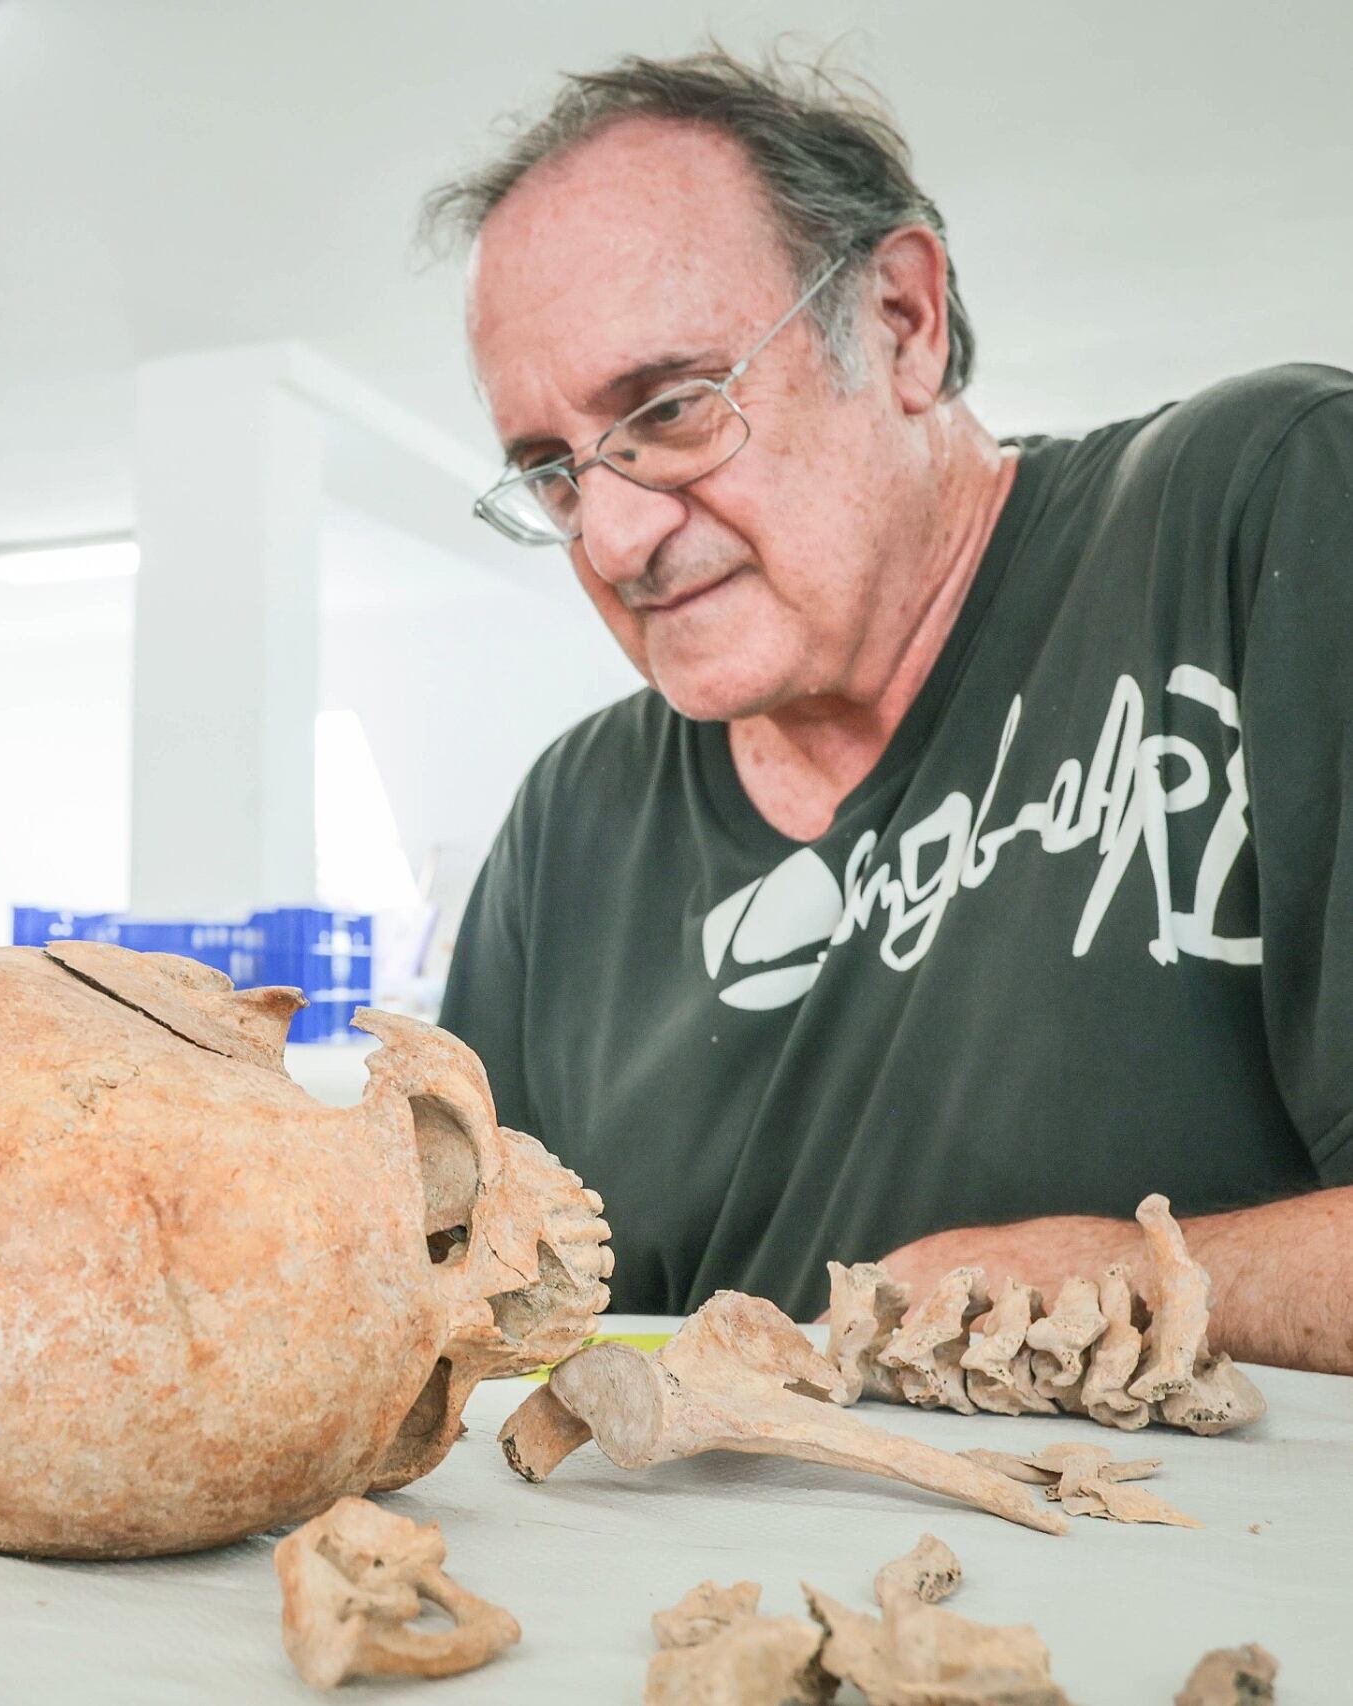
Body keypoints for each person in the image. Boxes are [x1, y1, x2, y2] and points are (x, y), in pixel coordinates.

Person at [427, 50, 1353, 1371]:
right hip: (708, 1589)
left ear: (899, 321)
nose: (615, 535)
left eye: (673, 408)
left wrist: (1115, 1279)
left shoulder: (1262, 511)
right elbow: (462, 1319)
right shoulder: (567, 821)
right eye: (551, 472)